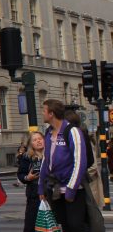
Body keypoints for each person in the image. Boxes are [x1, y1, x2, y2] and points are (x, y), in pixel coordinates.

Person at [39, 99, 88, 232]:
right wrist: (41, 186)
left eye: (44, 110)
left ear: (51, 114)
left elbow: (80, 162)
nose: (42, 114)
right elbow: (46, 160)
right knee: (62, 226)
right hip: (54, 190)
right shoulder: (48, 133)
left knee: (76, 226)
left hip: (73, 191)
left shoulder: (72, 131)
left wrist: (71, 190)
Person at [17, 131, 44, 232]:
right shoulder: (27, 157)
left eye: (40, 139)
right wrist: (28, 178)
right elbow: (20, 174)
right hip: (34, 196)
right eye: (35, 140)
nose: (38, 141)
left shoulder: (51, 154)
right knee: (31, 225)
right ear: (31, 144)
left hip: (49, 195)